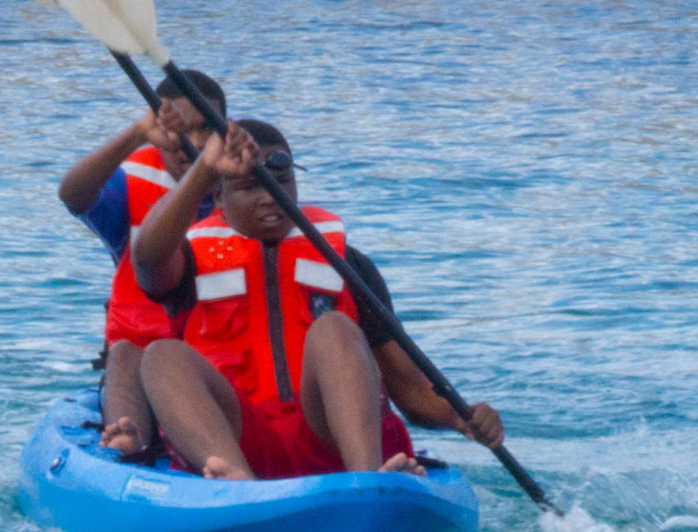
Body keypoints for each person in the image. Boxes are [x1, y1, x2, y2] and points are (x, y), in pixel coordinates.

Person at [127, 118, 504, 481]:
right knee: (161, 355)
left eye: (281, 182)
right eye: (250, 187)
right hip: (238, 441)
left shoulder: (347, 264)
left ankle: (367, 483)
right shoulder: (189, 260)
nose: (270, 198)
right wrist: (205, 168)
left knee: (335, 328)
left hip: (333, 438)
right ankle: (235, 481)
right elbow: (146, 257)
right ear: (219, 198)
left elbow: (409, 387)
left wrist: (461, 417)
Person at [57, 70, 227, 455]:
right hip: (144, 363)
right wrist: (137, 133)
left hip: (222, 365)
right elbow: (73, 194)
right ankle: (128, 440)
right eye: (179, 130)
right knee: (127, 351)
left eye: (204, 130)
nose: (190, 143)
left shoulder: (249, 193)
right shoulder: (130, 189)